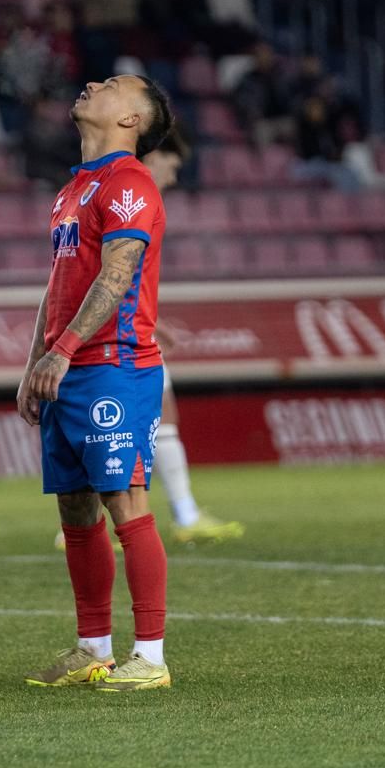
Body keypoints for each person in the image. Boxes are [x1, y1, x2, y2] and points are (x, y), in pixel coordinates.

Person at [17, 73, 174, 692]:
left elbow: (117, 276)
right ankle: (93, 647)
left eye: (112, 84)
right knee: (77, 510)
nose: (92, 84)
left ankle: (152, 658)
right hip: (68, 366)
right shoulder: (72, 191)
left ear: (132, 121)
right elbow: (58, 285)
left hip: (116, 365)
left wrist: (66, 350)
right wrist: (37, 359)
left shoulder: (130, 182)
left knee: (125, 504)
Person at [51, 132, 244, 550]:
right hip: (117, 342)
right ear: (154, 156)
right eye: (172, 167)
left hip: (126, 332)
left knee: (133, 424)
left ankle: (148, 516)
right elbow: (104, 272)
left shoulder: (117, 194)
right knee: (146, 419)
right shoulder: (128, 193)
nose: (172, 179)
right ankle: (168, 516)